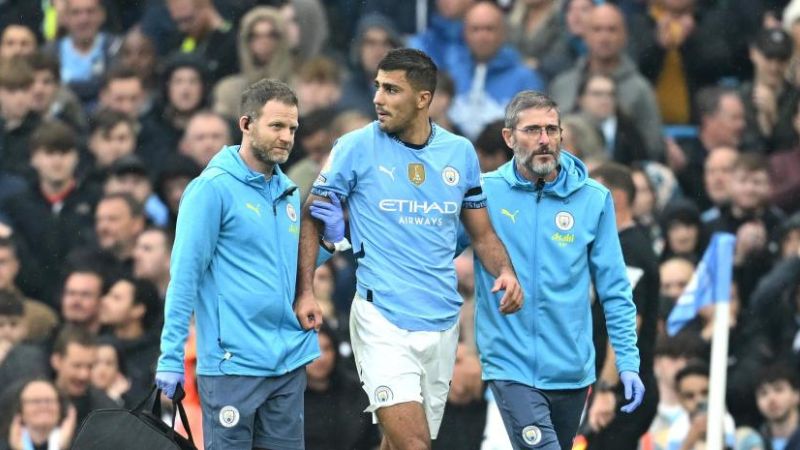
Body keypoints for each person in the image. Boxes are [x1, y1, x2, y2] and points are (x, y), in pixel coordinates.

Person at [296, 48, 523, 450]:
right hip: (380, 318)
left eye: (391, 89)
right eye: (377, 87)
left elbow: (482, 234)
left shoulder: (459, 153)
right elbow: (313, 215)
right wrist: (307, 290)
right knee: (416, 445)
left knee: (397, 443)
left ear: (423, 99)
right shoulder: (354, 147)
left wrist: (504, 272)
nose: (378, 98)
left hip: (441, 322)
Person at [154, 79, 346, 450]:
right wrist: (170, 356)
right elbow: (184, 278)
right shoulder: (211, 189)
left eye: (292, 128)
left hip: (287, 362)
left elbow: (284, 270)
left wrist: (328, 242)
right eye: (276, 126)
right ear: (246, 124)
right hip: (232, 365)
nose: (286, 137)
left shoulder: (287, 191)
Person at [470, 91, 643, 450]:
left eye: (552, 129)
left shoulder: (593, 198)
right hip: (510, 364)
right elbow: (436, 250)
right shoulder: (484, 193)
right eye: (532, 130)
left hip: (573, 371)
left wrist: (628, 361)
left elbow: (614, 288)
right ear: (509, 137)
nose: (544, 139)